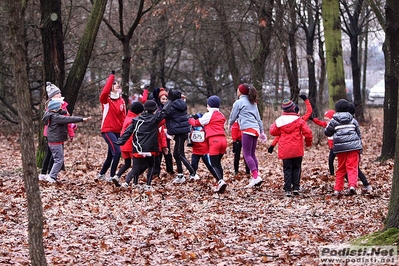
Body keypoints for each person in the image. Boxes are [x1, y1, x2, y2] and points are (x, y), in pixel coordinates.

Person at [113, 98, 172, 191]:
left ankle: (126, 183)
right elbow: (164, 112)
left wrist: (120, 141)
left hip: (137, 147)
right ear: (155, 109)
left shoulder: (136, 119)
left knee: (135, 168)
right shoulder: (155, 118)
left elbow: (128, 131)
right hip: (150, 148)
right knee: (151, 165)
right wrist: (171, 100)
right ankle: (148, 185)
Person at [269, 99, 313, 196]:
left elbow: (272, 131)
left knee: (287, 169)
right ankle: (296, 188)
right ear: (293, 108)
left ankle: (288, 189)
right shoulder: (299, 121)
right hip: (297, 149)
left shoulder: (279, 121)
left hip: (285, 150)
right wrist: (308, 143)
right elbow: (308, 133)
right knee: (297, 168)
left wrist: (281, 131)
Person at [228, 83, 267, 188]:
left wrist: (229, 125)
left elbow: (233, 116)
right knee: (252, 154)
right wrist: (262, 132)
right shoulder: (253, 103)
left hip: (247, 130)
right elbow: (258, 118)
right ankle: (255, 178)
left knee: (247, 155)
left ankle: (256, 176)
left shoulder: (238, 102)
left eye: (237, 90)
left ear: (240, 92)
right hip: (255, 129)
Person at [41, 100, 91, 183]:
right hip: (55, 142)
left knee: (57, 159)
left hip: (53, 141)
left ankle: (51, 175)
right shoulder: (56, 117)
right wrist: (82, 119)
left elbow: (62, 112)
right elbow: (69, 119)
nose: (61, 108)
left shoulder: (50, 114)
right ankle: (52, 176)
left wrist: (62, 110)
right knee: (59, 160)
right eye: (60, 107)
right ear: (55, 109)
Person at [189, 96, 228, 193]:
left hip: (214, 141)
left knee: (213, 164)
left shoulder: (209, 114)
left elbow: (196, 123)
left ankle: (220, 181)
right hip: (223, 140)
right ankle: (219, 183)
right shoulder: (221, 115)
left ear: (208, 105)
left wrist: (189, 119)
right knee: (218, 164)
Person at [38, 82, 77, 180]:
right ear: (52, 96)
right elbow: (64, 119)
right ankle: (47, 174)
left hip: (58, 132)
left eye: (59, 93)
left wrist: (71, 128)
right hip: (53, 133)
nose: (60, 94)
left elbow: (67, 119)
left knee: (52, 154)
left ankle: (48, 173)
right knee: (52, 154)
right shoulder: (53, 106)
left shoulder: (62, 104)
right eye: (57, 93)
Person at [324, 99, 362, 196]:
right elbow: (358, 133)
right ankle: (352, 185)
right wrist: (359, 147)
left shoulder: (334, 120)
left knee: (341, 168)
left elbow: (327, 132)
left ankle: (337, 189)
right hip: (353, 147)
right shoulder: (353, 120)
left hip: (340, 148)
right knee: (352, 167)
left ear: (336, 109)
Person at [97, 71, 126, 181]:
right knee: (117, 152)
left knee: (111, 154)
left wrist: (124, 131)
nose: (117, 85)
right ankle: (113, 176)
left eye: (118, 84)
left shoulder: (121, 100)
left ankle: (101, 174)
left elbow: (123, 116)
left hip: (118, 131)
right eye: (114, 84)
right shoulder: (106, 100)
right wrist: (111, 77)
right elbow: (104, 92)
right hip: (107, 130)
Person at [166, 89, 197, 183]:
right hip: (181, 131)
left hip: (180, 132)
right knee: (176, 153)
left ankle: (193, 173)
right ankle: (180, 175)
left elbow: (166, 114)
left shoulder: (172, 106)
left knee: (180, 153)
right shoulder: (181, 104)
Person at [110, 102, 144, 186]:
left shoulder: (127, 117)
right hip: (131, 146)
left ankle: (117, 176)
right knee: (137, 165)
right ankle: (135, 182)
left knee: (127, 163)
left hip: (123, 146)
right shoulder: (135, 120)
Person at [151, 87, 174, 176]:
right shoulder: (157, 108)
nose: (164, 101)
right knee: (158, 152)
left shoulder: (169, 107)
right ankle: (156, 170)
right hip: (158, 132)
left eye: (166, 99)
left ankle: (170, 169)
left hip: (166, 132)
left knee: (167, 151)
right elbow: (154, 93)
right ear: (159, 99)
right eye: (162, 99)